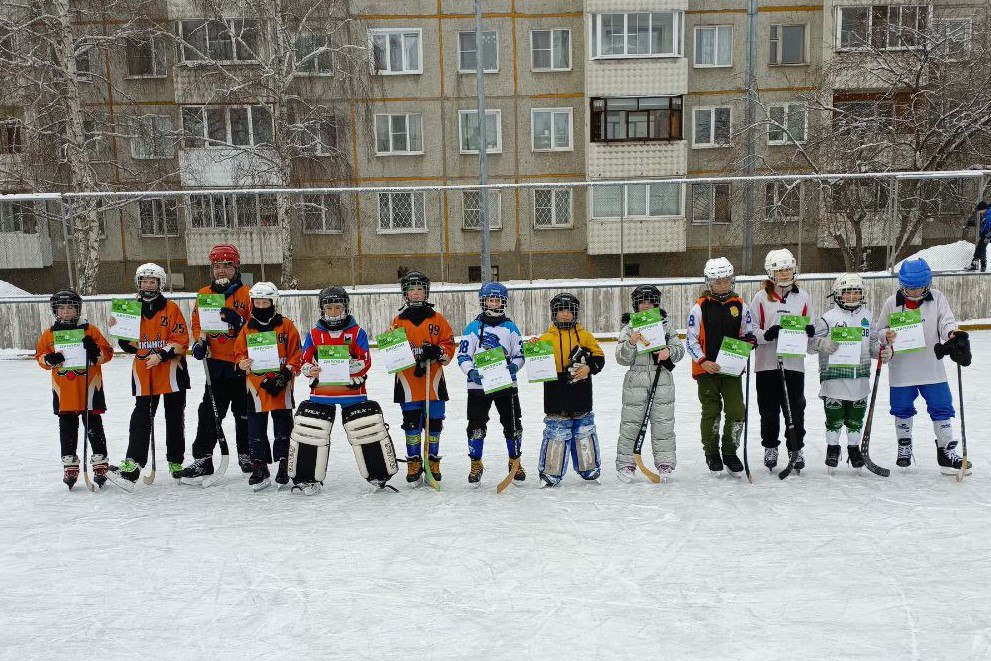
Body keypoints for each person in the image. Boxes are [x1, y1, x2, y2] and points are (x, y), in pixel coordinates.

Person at [878, 258, 972, 474]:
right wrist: (886, 335)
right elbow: (879, 330)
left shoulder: (937, 298)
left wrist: (953, 335)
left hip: (932, 367)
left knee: (942, 407)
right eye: (910, 288)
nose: (914, 292)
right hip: (902, 369)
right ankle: (904, 445)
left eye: (919, 287)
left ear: (927, 283)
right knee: (901, 408)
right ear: (902, 284)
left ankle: (946, 450)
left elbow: (946, 322)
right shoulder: (891, 303)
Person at [107, 263, 190, 489]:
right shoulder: (130, 309)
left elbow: (182, 340)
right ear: (138, 283)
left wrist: (161, 355)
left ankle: (175, 460)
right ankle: (133, 463)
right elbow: (130, 346)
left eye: (152, 281)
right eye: (144, 281)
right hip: (145, 372)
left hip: (172, 372)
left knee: (175, 418)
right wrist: (121, 333)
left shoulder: (171, 308)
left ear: (160, 284)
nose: (148, 285)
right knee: (141, 417)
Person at [180, 244, 252, 483]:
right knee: (209, 413)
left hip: (241, 365)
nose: (221, 270)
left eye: (227, 266)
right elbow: (198, 324)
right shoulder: (204, 294)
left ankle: (248, 455)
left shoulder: (247, 294)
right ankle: (203, 459)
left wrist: (239, 322)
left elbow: (257, 327)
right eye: (217, 266)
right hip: (216, 364)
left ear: (236, 267)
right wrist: (199, 343)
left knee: (244, 412)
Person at [35, 290, 114, 489]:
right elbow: (40, 357)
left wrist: (94, 351)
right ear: (55, 311)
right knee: (67, 426)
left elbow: (107, 353)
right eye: (61, 308)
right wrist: (49, 359)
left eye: (70, 307)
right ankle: (69, 463)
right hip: (64, 390)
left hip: (90, 387)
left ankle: (100, 461)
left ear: (78, 309)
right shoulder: (50, 334)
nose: (66, 312)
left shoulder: (90, 331)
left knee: (94, 425)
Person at [811, 274, 891, 470]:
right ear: (838, 294)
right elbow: (810, 343)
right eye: (847, 292)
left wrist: (883, 352)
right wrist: (822, 344)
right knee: (834, 417)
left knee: (856, 417)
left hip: (859, 378)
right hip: (834, 377)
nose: (852, 296)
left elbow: (872, 345)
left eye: (856, 292)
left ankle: (854, 449)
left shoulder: (867, 317)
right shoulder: (828, 318)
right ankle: (832, 448)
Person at [685, 257, 756, 475]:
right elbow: (690, 340)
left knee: (736, 410)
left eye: (726, 280)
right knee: (711, 411)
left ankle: (730, 452)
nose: (722, 285)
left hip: (731, 370)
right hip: (707, 371)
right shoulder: (700, 307)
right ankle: (712, 453)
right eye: (717, 281)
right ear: (709, 282)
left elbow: (747, 332)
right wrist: (703, 361)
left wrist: (750, 341)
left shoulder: (740, 304)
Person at [749, 249, 815, 472]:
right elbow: (752, 329)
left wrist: (809, 331)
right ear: (771, 273)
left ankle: (795, 448)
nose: (785, 274)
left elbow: (811, 328)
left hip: (793, 363)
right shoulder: (760, 298)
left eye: (788, 269)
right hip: (766, 364)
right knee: (768, 410)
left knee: (795, 409)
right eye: (780, 270)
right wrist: (766, 334)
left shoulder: (803, 297)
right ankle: (770, 446)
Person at [532, 292, 606, 487]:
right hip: (555, 391)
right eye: (561, 311)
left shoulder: (585, 335)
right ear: (553, 313)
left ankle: (589, 468)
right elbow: (535, 363)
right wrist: (532, 348)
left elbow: (599, 357)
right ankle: (550, 473)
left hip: (580, 391)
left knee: (583, 430)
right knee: (556, 431)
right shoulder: (546, 338)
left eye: (569, 311)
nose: (565, 314)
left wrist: (589, 367)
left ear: (575, 313)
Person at [390, 270, 456, 485]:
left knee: (434, 423)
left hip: (433, 382)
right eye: (412, 289)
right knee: (411, 424)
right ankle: (414, 461)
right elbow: (392, 351)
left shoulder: (438, 319)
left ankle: (432, 460)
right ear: (405, 293)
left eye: (420, 289)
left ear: (426, 292)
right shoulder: (398, 321)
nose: (416, 293)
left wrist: (437, 351)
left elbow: (448, 345)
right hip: (408, 382)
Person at [234, 282, 302, 491]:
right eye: (258, 302)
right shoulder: (247, 328)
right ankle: (259, 466)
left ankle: (284, 462)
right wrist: (241, 364)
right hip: (256, 387)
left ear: (273, 303)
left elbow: (296, 354)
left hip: (281, 385)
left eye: (266, 302)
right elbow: (239, 353)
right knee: (255, 428)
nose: (261, 306)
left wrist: (285, 374)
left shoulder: (286, 325)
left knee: (283, 426)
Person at [456, 282, 525, 486]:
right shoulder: (473, 328)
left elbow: (520, 354)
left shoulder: (511, 328)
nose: (494, 304)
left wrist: (514, 367)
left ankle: (515, 461)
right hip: (478, 388)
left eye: (497, 300)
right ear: (483, 302)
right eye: (490, 300)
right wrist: (471, 372)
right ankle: (476, 463)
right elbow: (463, 355)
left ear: (504, 302)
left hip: (506, 386)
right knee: (476, 426)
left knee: (513, 424)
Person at [615, 285, 684, 482]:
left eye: (650, 302)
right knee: (631, 423)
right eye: (642, 302)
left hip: (661, 379)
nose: (646, 305)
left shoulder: (666, 327)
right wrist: (630, 344)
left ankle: (665, 462)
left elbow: (679, 350)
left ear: (656, 304)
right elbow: (621, 358)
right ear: (635, 304)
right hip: (635, 381)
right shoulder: (629, 328)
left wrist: (669, 351)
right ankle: (627, 464)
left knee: (663, 422)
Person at [965, 202, 991, 272]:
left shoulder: (989, 214)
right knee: (980, 249)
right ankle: (979, 265)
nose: (980, 212)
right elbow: (984, 225)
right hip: (984, 234)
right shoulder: (986, 214)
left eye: (980, 210)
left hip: (987, 234)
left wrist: (988, 237)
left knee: (980, 249)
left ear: (983, 209)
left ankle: (979, 265)